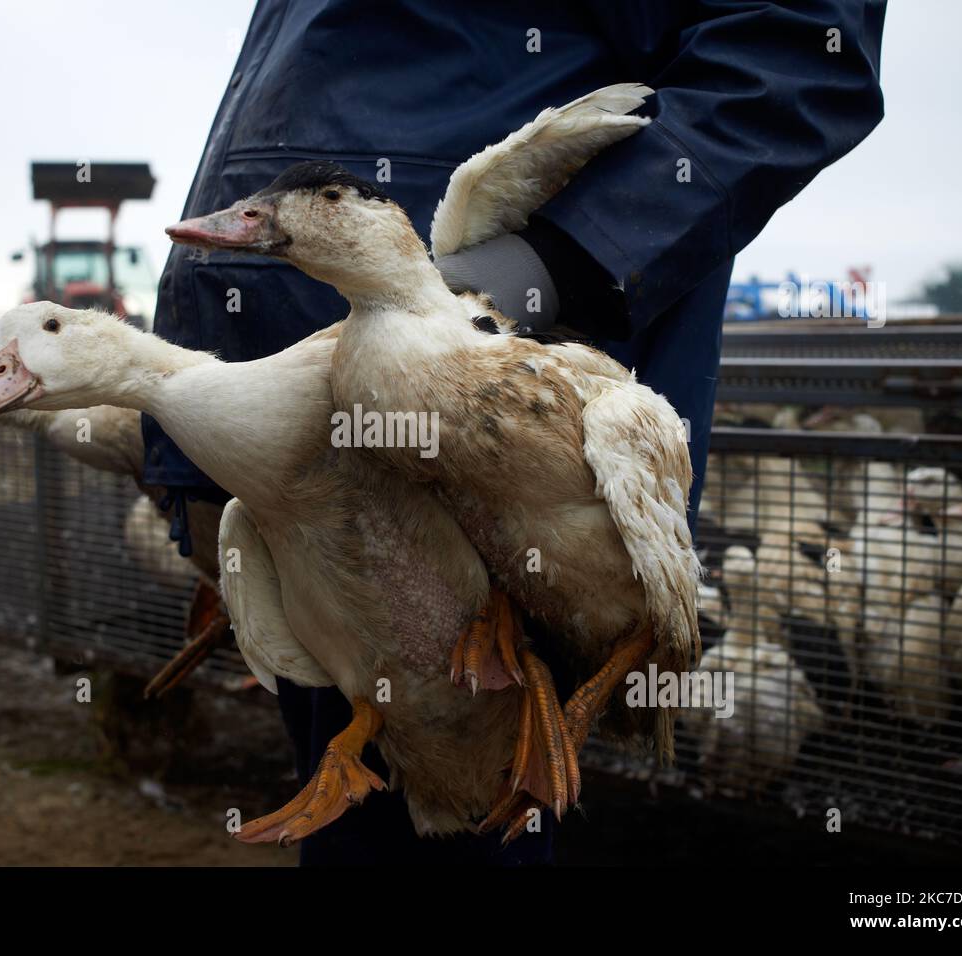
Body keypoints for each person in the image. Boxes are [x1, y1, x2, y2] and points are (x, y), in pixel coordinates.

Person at [144, 0, 887, 865]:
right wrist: (189, 447)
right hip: (303, 434)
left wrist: (559, 261)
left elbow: (793, 52)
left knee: (465, 797)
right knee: (374, 793)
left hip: (492, 417)